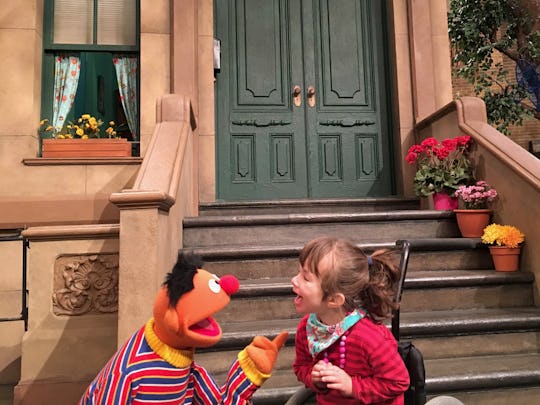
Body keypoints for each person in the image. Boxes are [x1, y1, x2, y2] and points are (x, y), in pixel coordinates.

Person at [290, 236, 410, 404]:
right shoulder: (307, 329)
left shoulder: (369, 338)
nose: (294, 280)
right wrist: (312, 377)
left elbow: (398, 382)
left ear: (333, 300)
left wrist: (352, 386)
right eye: (299, 273)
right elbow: (301, 366)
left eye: (306, 278)